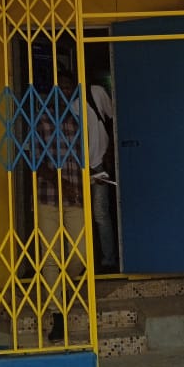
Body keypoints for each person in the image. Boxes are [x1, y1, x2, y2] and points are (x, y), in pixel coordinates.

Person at [36, 68, 87, 344]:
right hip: (48, 199)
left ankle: (64, 288)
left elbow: (85, 158)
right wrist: (61, 183)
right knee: (51, 257)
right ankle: (57, 315)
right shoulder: (41, 121)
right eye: (62, 87)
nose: (65, 92)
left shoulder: (77, 122)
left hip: (75, 198)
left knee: (80, 253)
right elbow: (35, 163)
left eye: (69, 88)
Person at [85, 78, 117, 272]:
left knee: (100, 213)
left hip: (98, 164)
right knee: (77, 215)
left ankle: (108, 260)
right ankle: (82, 260)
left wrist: (110, 152)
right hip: (74, 168)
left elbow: (114, 119)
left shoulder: (95, 92)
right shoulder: (61, 104)